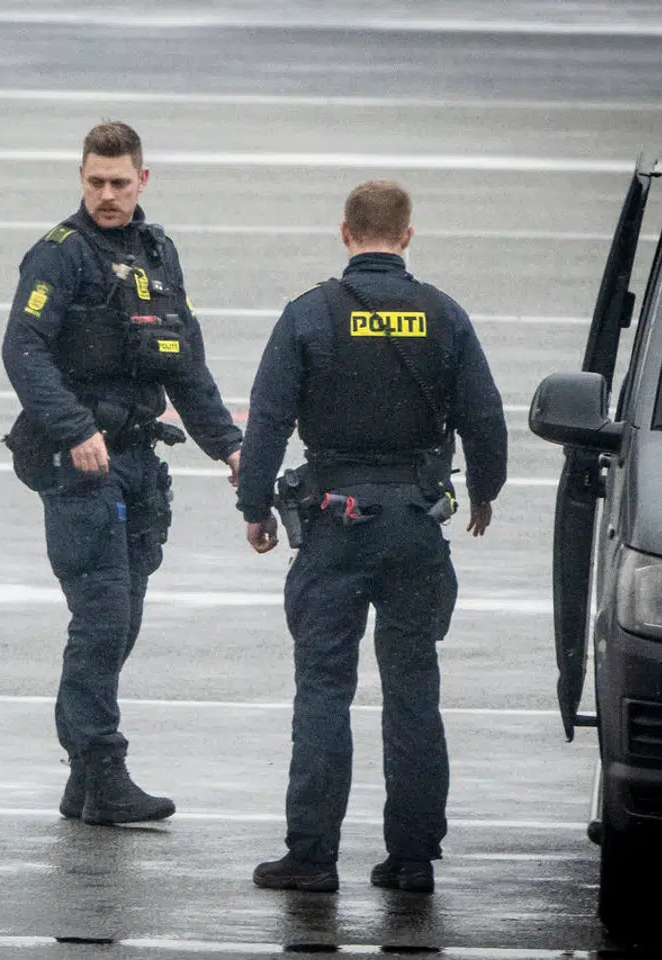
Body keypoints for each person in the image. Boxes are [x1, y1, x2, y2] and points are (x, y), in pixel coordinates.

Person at [236, 181, 507, 893]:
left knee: (324, 688)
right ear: (408, 236)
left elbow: (266, 419)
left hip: (335, 522)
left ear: (346, 233)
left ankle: (313, 856)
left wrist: (255, 506)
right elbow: (485, 416)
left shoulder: (310, 314)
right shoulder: (444, 316)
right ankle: (412, 856)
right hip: (416, 525)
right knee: (413, 685)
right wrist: (485, 491)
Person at [1, 121, 242, 825]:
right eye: (94, 182)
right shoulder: (58, 257)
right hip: (78, 462)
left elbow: (185, 361)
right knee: (103, 617)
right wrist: (75, 428)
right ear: (81, 178)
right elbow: (23, 351)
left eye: (118, 182)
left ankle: (84, 780)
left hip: (138, 459)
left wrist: (229, 446)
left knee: (124, 616)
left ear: (143, 179)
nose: (106, 195)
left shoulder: (157, 252)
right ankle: (102, 769)